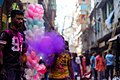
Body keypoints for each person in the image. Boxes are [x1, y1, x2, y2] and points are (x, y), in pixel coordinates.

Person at [0, 10, 25, 80]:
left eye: (22, 19)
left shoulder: (21, 35)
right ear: (12, 19)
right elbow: (0, 50)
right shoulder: (6, 34)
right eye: (18, 19)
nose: (21, 21)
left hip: (18, 68)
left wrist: (22, 66)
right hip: (8, 68)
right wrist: (2, 67)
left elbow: (20, 52)